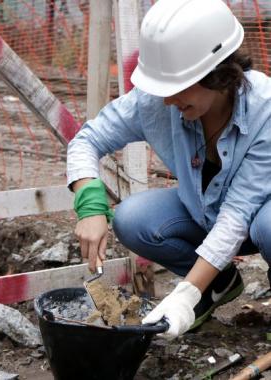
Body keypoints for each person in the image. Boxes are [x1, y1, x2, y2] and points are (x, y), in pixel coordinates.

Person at [67, 0, 271, 339]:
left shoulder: (265, 111)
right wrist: (89, 203)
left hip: (256, 219)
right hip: (207, 213)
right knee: (133, 220)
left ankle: (199, 288)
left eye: (174, 86)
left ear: (218, 73)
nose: (165, 100)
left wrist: (183, 296)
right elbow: (87, 139)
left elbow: (237, 216)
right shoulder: (156, 102)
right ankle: (216, 284)